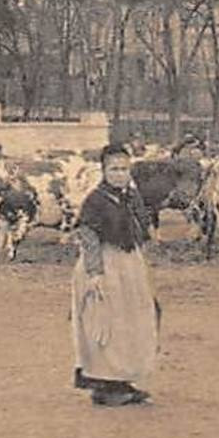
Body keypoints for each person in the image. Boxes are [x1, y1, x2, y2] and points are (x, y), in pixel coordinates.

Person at [72, 144, 160, 406]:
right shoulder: (96, 200)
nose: (120, 175)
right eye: (114, 169)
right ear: (104, 171)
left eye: (124, 169)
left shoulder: (132, 197)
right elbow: (88, 237)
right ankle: (104, 384)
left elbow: (140, 229)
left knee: (132, 321)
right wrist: (95, 273)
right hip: (104, 263)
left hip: (129, 264)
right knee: (106, 322)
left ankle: (122, 379)